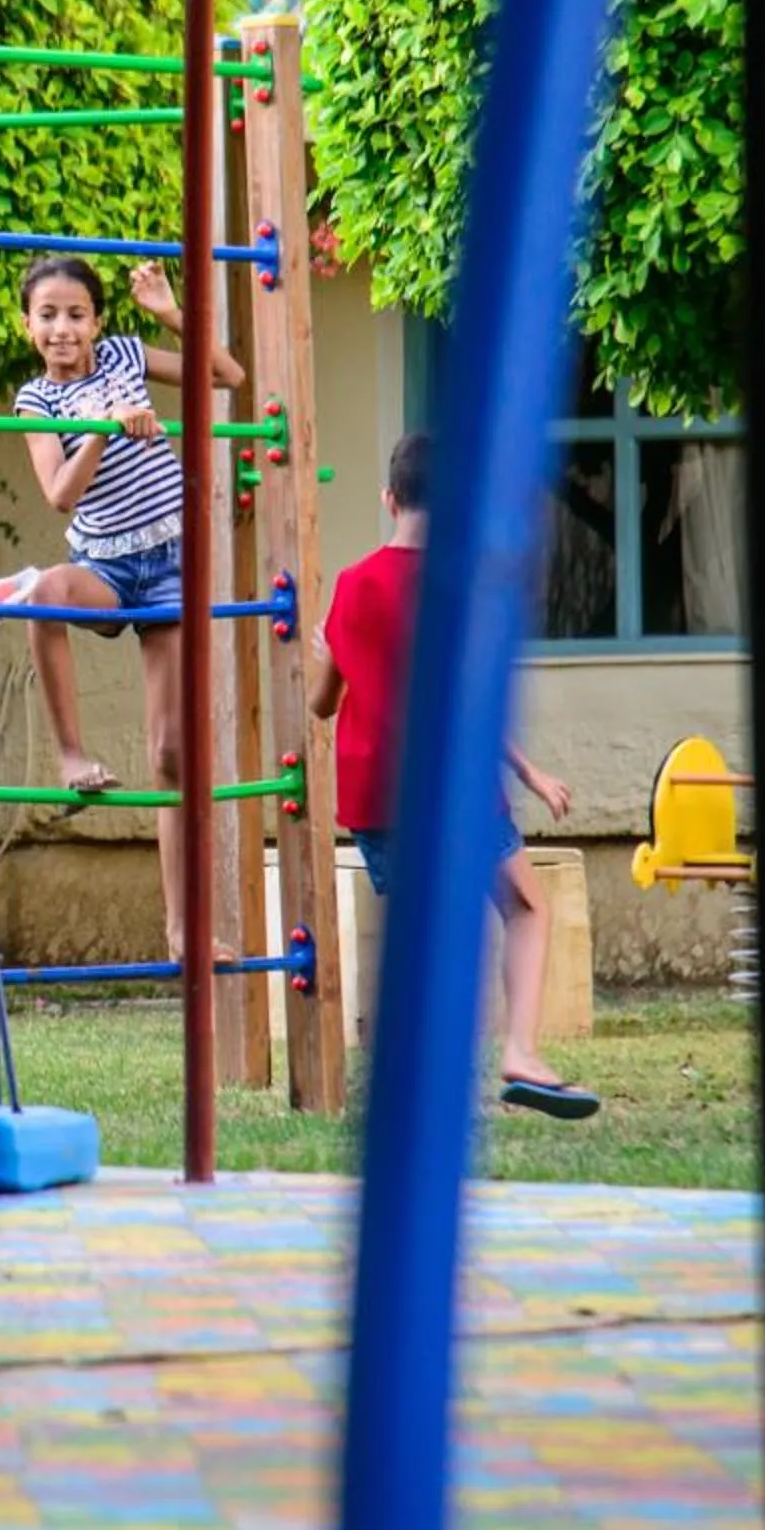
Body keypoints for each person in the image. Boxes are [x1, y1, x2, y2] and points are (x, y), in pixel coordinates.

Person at [310, 430, 600, 1120]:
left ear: (389, 500)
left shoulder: (351, 587)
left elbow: (320, 704)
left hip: (374, 794)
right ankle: (520, 1054)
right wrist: (529, 773)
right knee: (524, 908)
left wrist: (323, 646)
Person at [6, 253, 244, 964]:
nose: (63, 329)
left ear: (98, 321)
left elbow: (228, 376)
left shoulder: (125, 355)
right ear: (27, 326)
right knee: (45, 594)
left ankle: (182, 931)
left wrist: (169, 312)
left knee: (171, 754)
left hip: (170, 560)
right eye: (47, 315)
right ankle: (71, 754)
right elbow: (58, 495)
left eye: (76, 314)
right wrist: (109, 427)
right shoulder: (35, 401)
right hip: (103, 566)